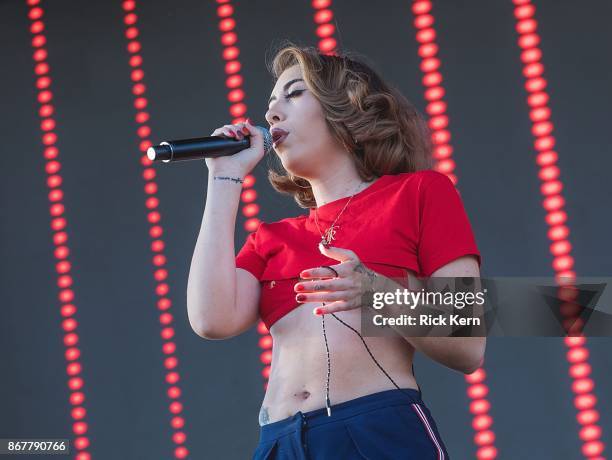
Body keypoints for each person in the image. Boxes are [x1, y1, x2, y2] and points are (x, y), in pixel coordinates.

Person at [187, 43, 485, 459]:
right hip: (279, 439)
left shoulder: (420, 192)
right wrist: (223, 179)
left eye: (293, 93)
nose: (271, 113)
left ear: (347, 106)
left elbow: (467, 345)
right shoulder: (273, 237)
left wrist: (375, 292)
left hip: (374, 426)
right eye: (270, 102)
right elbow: (211, 319)